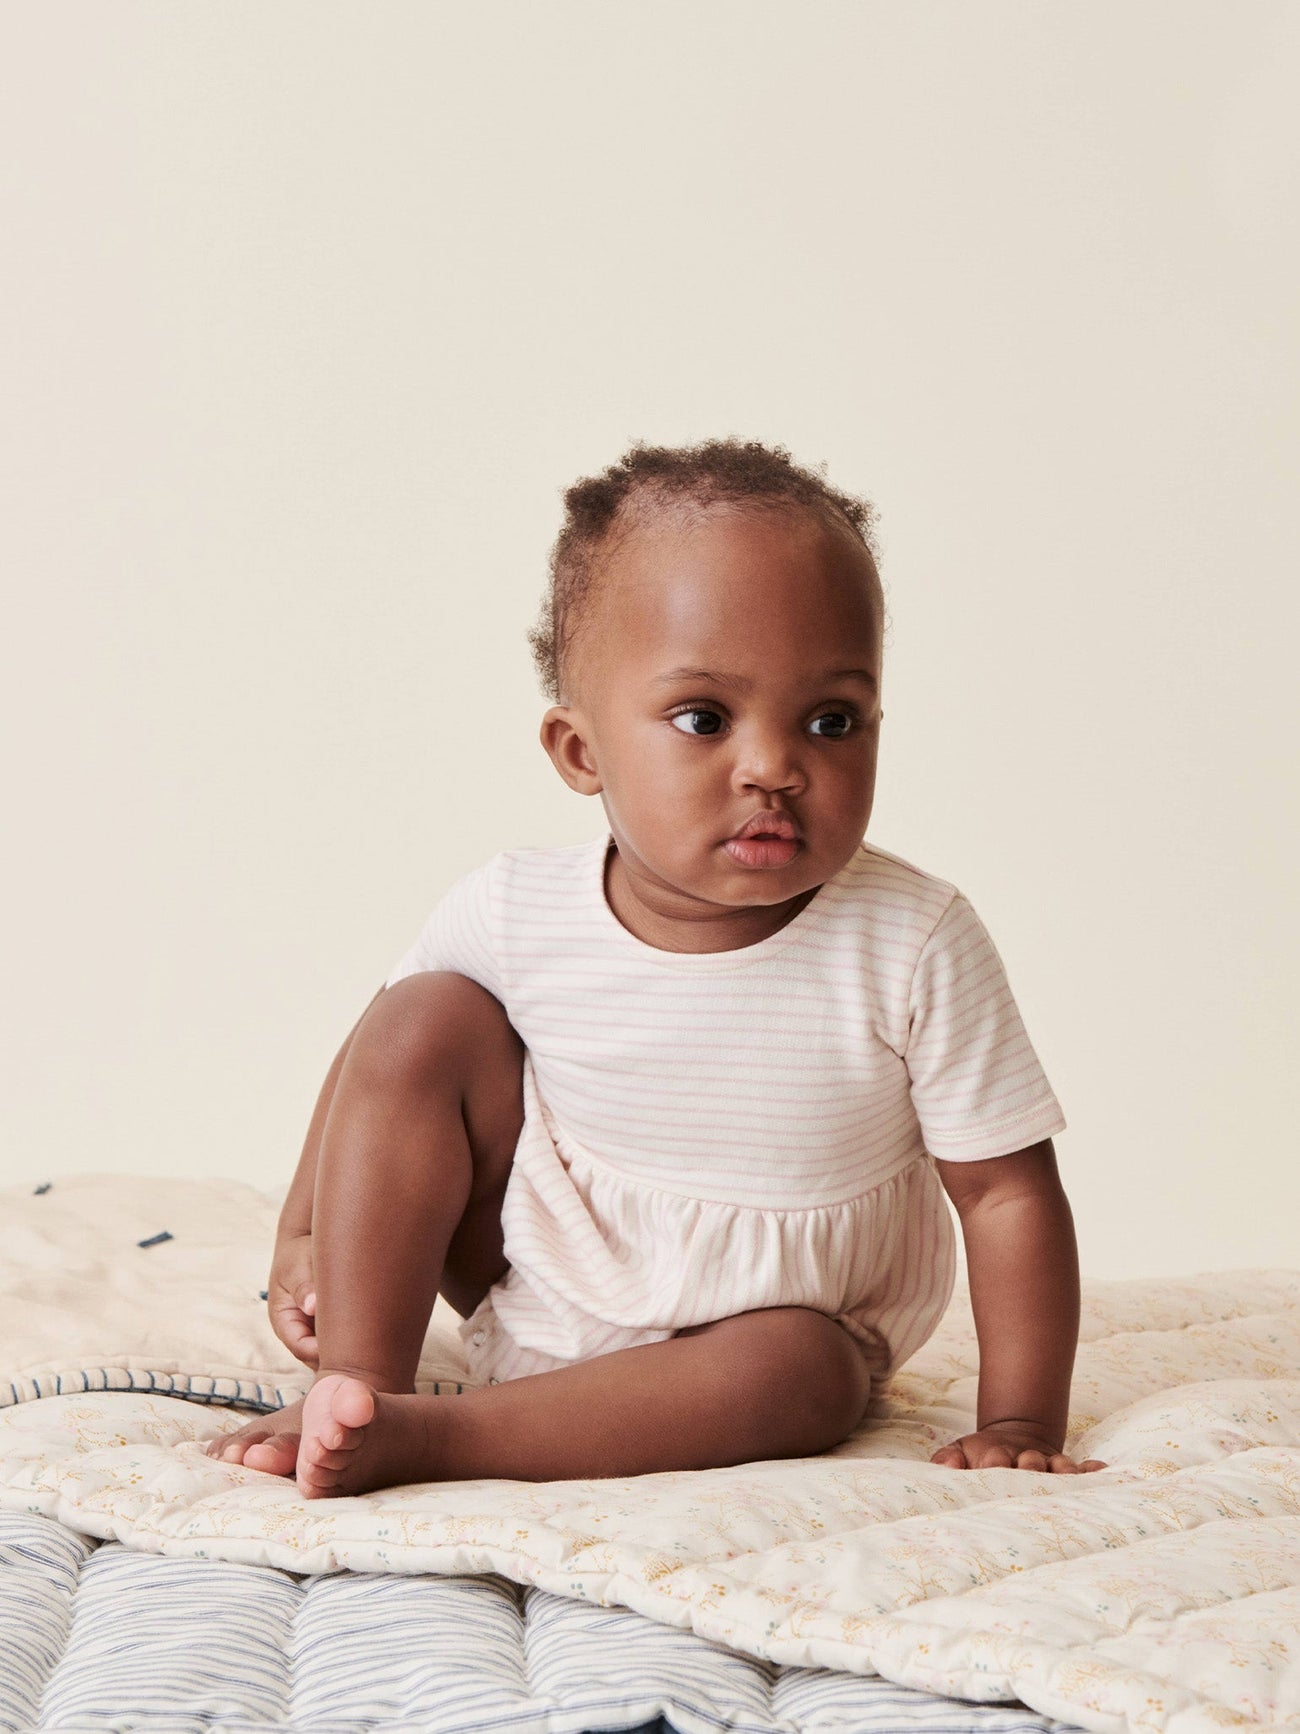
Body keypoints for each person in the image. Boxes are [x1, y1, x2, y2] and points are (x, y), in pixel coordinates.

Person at [206, 437, 1107, 1498]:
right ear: (580, 751)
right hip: (540, 1275)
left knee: (806, 1373)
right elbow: (377, 1068)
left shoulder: (910, 938)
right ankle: (358, 1387)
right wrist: (304, 1231)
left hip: (767, 1336)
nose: (773, 766)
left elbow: (1005, 1195)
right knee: (419, 1017)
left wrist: (1018, 1418)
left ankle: (437, 1439)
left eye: (831, 721)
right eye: (703, 719)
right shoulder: (514, 907)